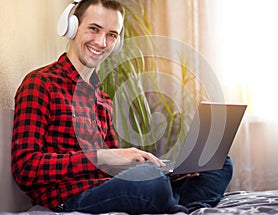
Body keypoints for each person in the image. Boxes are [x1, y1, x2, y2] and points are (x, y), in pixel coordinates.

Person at [11, 0, 233, 214]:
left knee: (219, 162)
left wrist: (172, 171)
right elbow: (25, 168)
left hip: (110, 187)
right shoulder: (40, 83)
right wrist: (102, 156)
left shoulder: (103, 99)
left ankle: (184, 206)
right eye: (94, 29)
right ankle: (176, 201)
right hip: (70, 196)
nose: (102, 43)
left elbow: (113, 169)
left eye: (111, 35)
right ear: (72, 28)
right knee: (151, 182)